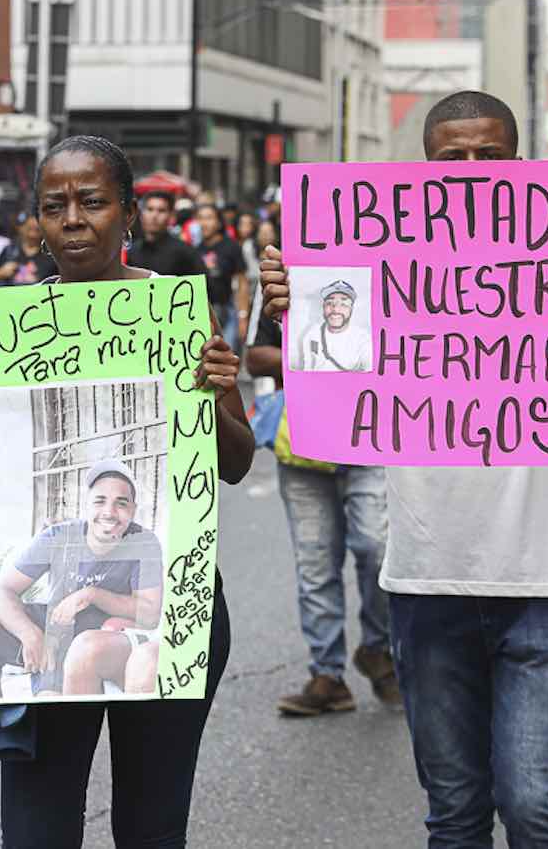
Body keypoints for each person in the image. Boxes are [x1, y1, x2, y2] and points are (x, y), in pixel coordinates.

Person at [259, 90, 548, 846]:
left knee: (539, 808)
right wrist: (295, 307)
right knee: (455, 815)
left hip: (540, 580)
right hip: (426, 583)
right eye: (454, 158)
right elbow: (327, 386)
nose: (473, 172)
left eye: (491, 156)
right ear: (424, 167)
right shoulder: (376, 265)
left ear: (521, 165)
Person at [0, 134, 254, 847]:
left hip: (171, 619)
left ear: (129, 214)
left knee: (152, 825)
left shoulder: (177, 312)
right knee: (36, 825)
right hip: (50, 623)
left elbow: (238, 461)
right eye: (54, 204)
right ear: (36, 220)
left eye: (92, 201)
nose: (73, 218)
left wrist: (217, 393)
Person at [247, 308, 398, 716]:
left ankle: (377, 648)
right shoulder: (292, 275)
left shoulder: (388, 268)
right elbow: (255, 357)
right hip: (303, 441)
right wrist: (315, 355)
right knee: (314, 563)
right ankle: (328, 675)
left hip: (372, 434)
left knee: (377, 549)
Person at [0, 460, 163, 698]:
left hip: (101, 635)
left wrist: (91, 594)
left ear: (133, 510)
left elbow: (149, 614)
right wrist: (29, 634)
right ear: (86, 506)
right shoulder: (58, 536)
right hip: (54, 625)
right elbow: (1, 591)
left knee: (55, 696)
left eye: (121, 503)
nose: (109, 512)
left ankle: (51, 695)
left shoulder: (143, 543)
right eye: (100, 501)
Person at [195, 204, 248, 354]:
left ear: (218, 222)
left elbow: (242, 282)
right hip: (203, 312)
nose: (204, 223)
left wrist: (243, 316)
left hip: (227, 310)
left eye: (209, 218)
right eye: (201, 218)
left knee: (228, 355)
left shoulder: (231, 247)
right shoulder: (195, 249)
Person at [294, 279, 369, 372]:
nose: (336, 309)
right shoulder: (311, 335)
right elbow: (307, 371)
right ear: (323, 307)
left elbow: (370, 373)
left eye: (343, 304)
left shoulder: (363, 338)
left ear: (351, 309)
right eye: (330, 303)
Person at [126, 191, 206, 279]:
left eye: (161, 210)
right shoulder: (133, 251)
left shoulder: (185, 252)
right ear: (141, 214)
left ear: (171, 216)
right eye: (150, 209)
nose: (154, 215)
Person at [0, 214, 56, 286]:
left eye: (37, 230)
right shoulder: (9, 251)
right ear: (21, 228)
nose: (32, 234)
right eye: (29, 229)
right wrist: (1, 273)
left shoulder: (50, 255)